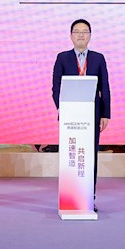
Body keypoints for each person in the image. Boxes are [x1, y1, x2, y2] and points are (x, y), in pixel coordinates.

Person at [52, 19, 111, 207]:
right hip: (70, 114)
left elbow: (105, 88)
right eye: (77, 31)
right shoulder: (62, 58)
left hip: (92, 114)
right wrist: (61, 108)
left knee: (90, 154)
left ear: (90, 36)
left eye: (84, 31)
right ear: (71, 36)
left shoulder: (98, 58)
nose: (81, 35)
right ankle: (70, 196)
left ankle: (89, 197)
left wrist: (106, 114)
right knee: (71, 154)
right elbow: (56, 87)